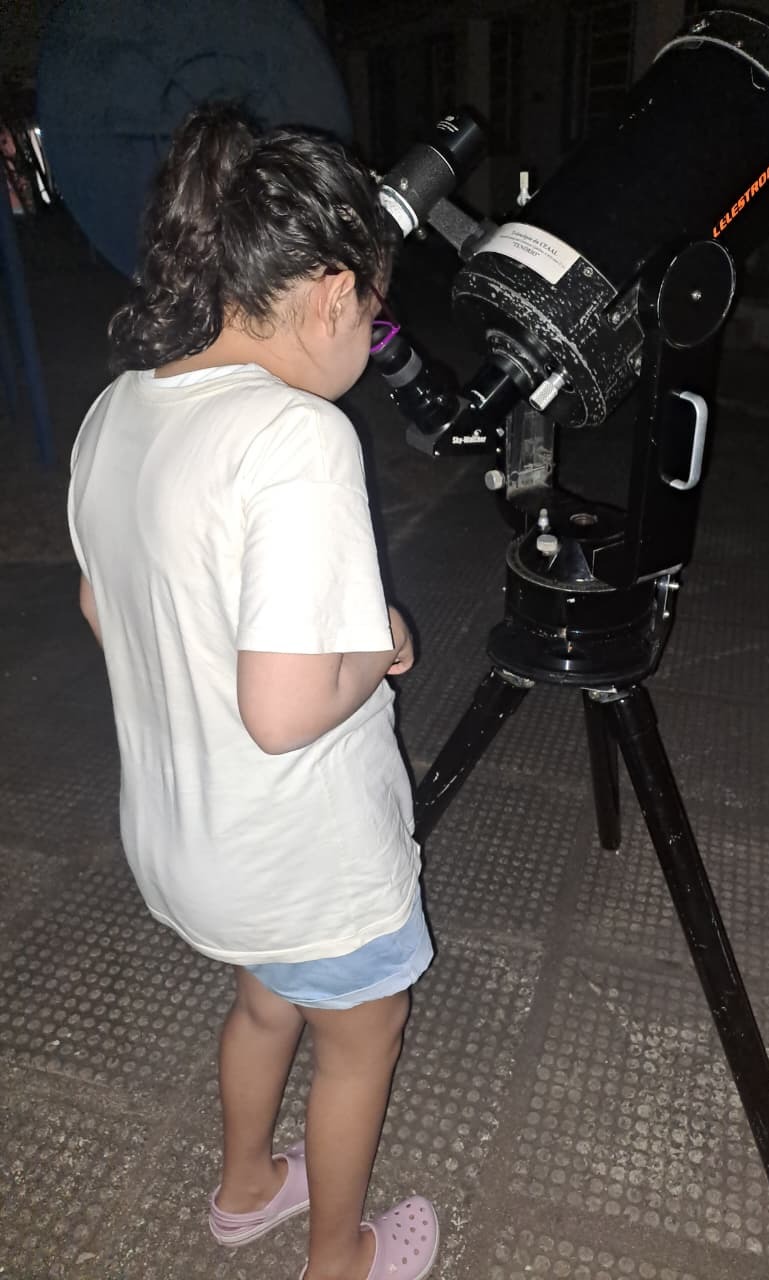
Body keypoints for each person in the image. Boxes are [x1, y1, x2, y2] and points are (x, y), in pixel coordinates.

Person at [67, 103, 438, 1280]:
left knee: (268, 1003)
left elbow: (100, 606)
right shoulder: (294, 436)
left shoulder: (119, 408)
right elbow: (281, 712)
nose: (370, 339)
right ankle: (340, 1258)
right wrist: (377, 645)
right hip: (301, 857)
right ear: (330, 293)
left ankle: (244, 1188)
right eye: (373, 314)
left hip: (189, 842)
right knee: (360, 1038)